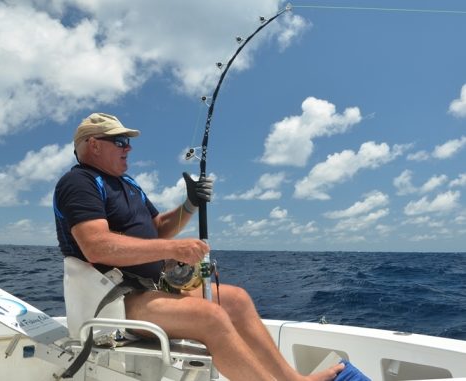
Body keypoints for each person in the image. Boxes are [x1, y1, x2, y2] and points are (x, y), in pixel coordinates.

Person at [53, 112, 344, 381]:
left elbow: (158, 228)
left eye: (127, 142)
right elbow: (96, 246)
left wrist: (190, 204)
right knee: (211, 316)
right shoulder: (79, 182)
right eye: (120, 141)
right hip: (113, 303)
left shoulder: (128, 184)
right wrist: (171, 250)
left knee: (236, 299)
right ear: (93, 145)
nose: (128, 148)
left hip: (149, 291)